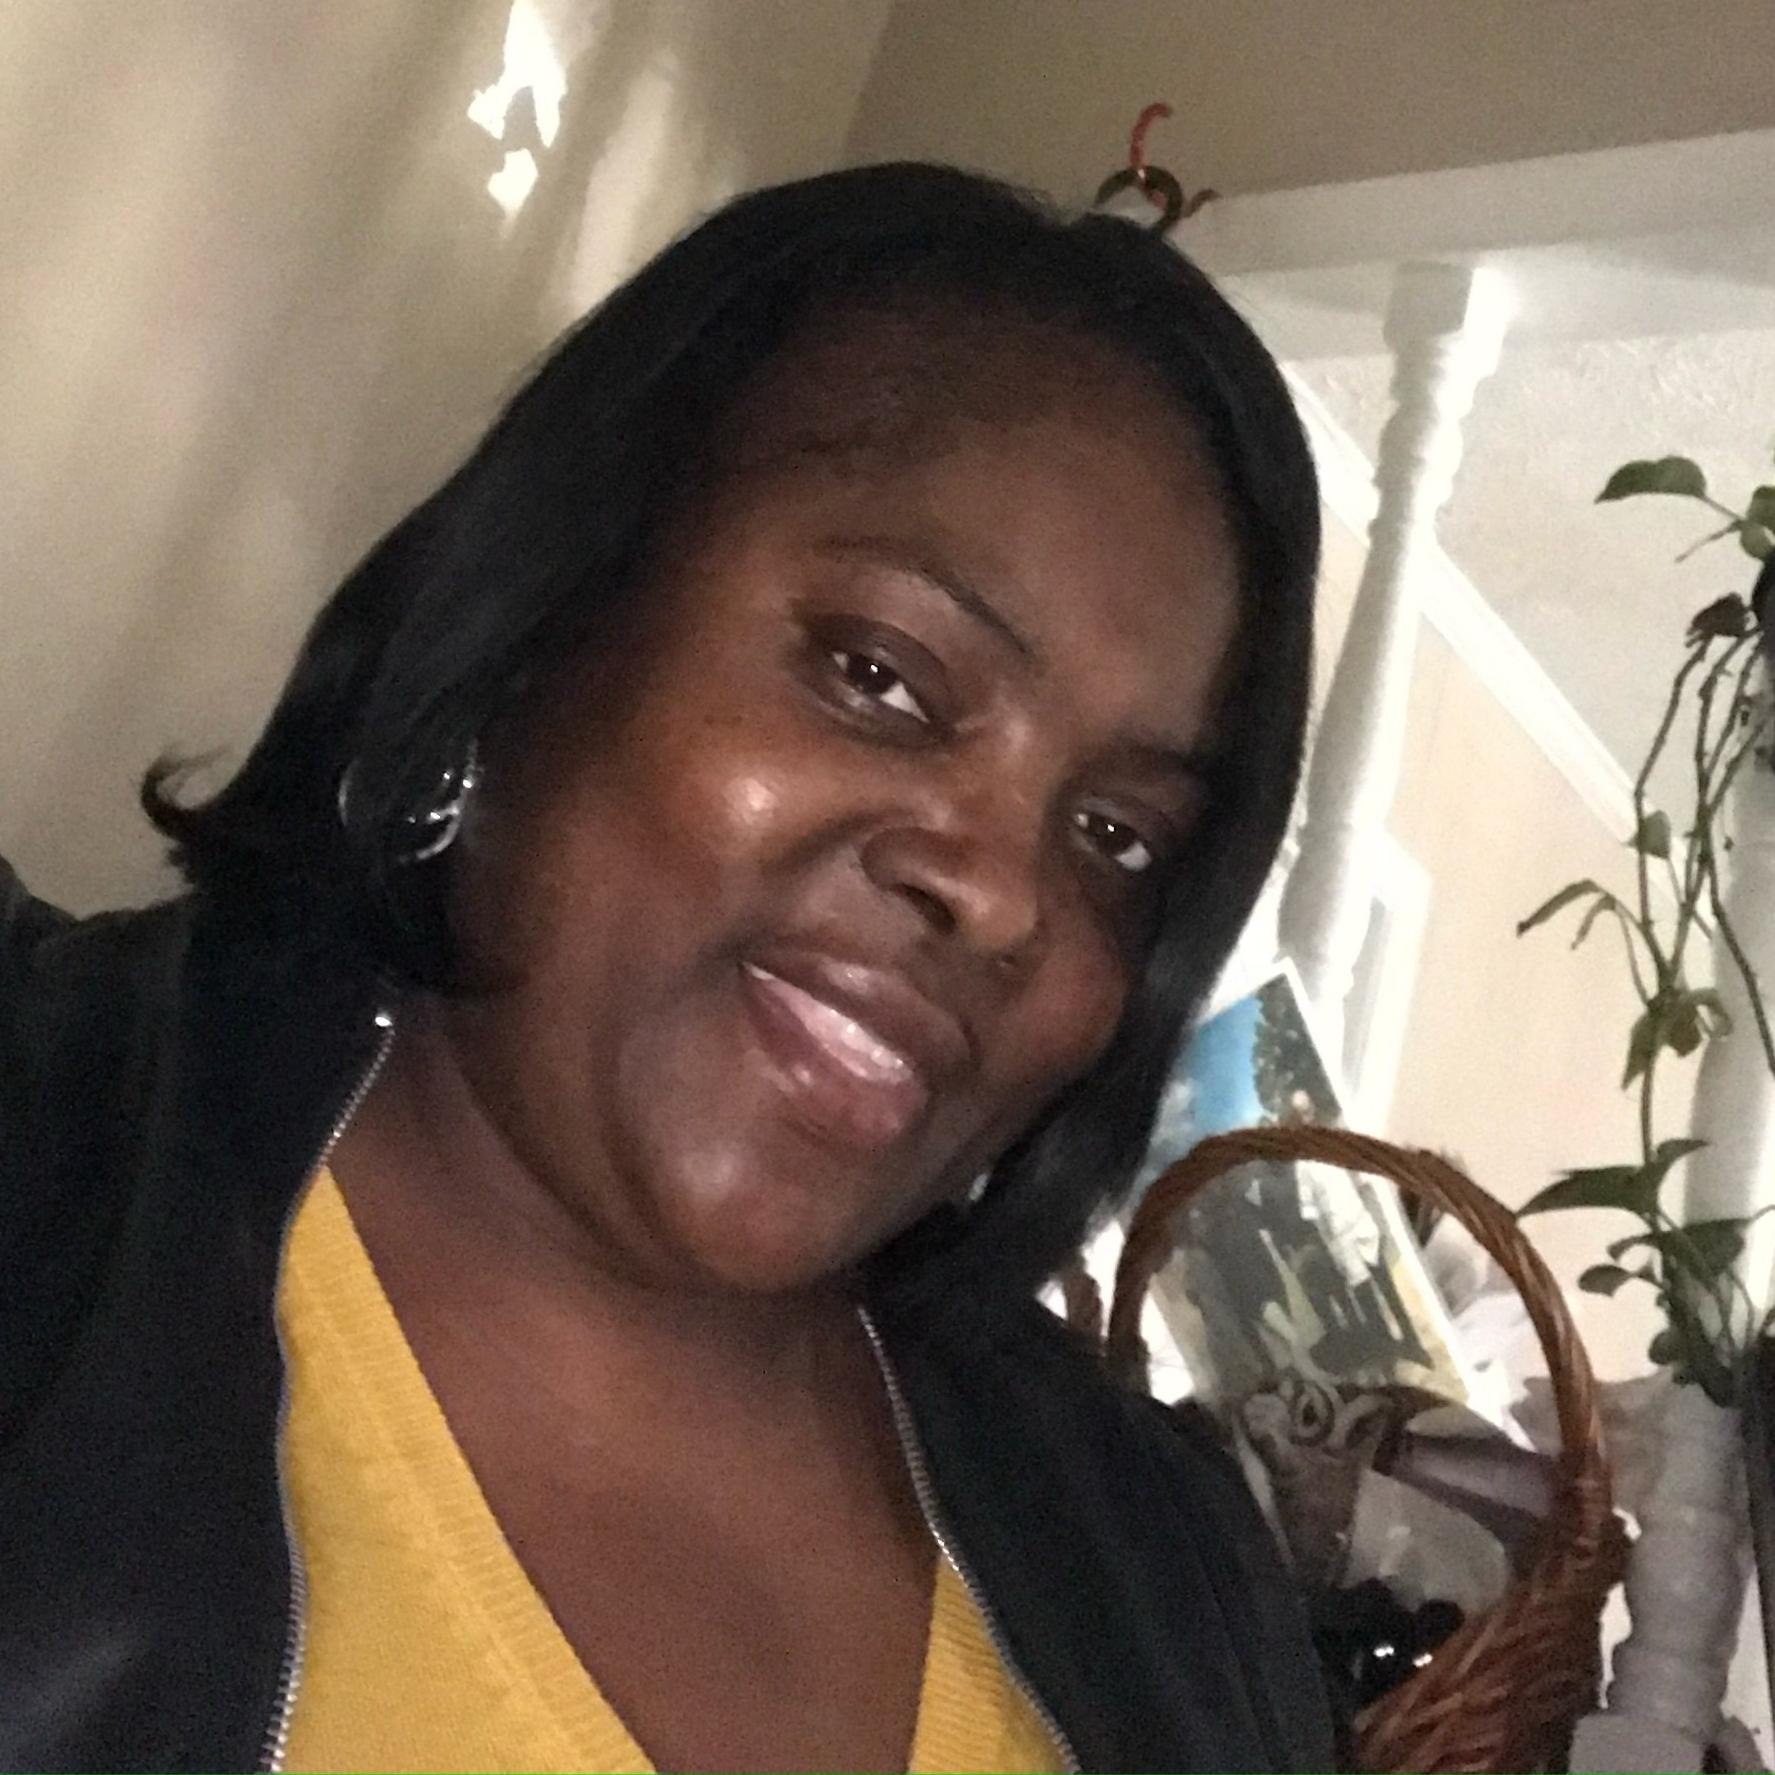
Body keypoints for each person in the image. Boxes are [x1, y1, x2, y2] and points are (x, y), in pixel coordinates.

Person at [0, 162, 1333, 1773]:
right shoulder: (43, 1174)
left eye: (1117, 836)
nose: (1003, 896)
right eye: (881, 676)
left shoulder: (1168, 1578)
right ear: (540, 618)